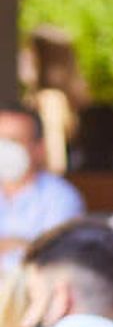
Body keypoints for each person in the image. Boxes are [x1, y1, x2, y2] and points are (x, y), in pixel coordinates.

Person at [0, 103, 83, 264]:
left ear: (39, 148)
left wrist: (18, 246)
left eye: (13, 140)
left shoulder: (61, 197)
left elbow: (54, 258)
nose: (4, 148)